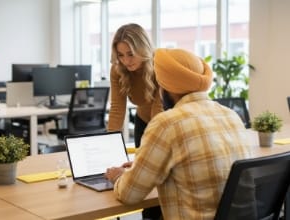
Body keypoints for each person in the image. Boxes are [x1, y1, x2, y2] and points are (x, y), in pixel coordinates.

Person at [105, 48, 254, 219]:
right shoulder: (231, 115)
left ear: (167, 88)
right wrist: (142, 166)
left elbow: (129, 195)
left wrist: (119, 177)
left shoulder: (167, 124)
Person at [107, 23, 163, 148]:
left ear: (143, 48)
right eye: (120, 55)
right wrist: (110, 145)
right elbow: (117, 108)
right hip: (142, 119)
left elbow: (158, 109)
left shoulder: (159, 64)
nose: (126, 61)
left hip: (165, 123)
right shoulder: (117, 70)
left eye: (131, 54)